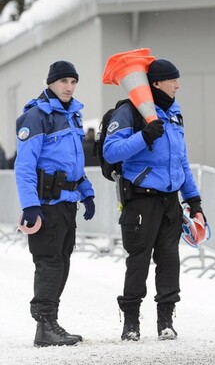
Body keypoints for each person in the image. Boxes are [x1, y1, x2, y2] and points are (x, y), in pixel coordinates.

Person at [103, 58, 206, 341]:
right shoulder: (129, 111)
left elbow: (181, 160)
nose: (178, 85)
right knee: (139, 260)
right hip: (140, 199)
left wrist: (193, 200)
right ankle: (131, 322)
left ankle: (165, 320)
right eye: (173, 80)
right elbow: (111, 152)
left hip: (169, 200)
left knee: (169, 259)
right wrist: (144, 136)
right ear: (157, 83)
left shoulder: (174, 112)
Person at [14, 60, 96, 347]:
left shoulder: (72, 116)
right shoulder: (37, 116)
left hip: (67, 203)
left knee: (61, 262)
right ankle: (44, 326)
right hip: (45, 204)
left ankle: (51, 323)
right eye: (64, 82)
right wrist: (30, 206)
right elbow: (24, 167)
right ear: (50, 83)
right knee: (49, 263)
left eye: (73, 82)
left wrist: (86, 191)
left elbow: (74, 163)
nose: (69, 87)